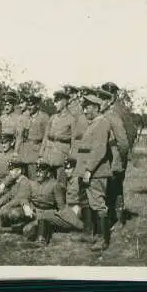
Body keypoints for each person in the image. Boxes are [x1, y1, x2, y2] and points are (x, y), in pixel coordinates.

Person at [65, 92, 113, 251]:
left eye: (88, 108)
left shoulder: (102, 123)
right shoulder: (92, 123)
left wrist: (88, 170)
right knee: (88, 202)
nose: (85, 111)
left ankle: (103, 239)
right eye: (84, 107)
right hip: (86, 170)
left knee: (98, 204)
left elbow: (99, 150)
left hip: (96, 172)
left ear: (97, 108)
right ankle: (90, 233)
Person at [97, 85, 132, 230]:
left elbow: (127, 137)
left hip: (116, 158)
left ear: (114, 95)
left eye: (110, 94)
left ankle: (118, 220)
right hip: (107, 157)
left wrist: (120, 157)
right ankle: (110, 218)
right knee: (108, 188)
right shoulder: (103, 113)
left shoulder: (119, 111)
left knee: (115, 188)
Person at [38, 90, 76, 180]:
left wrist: (71, 157)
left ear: (64, 102)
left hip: (62, 156)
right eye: (54, 101)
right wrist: (41, 154)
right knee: (47, 182)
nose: (55, 104)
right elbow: (45, 137)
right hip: (48, 155)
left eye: (57, 101)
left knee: (61, 183)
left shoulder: (72, 119)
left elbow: (74, 141)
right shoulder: (52, 118)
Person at [15, 95, 50, 180]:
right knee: (21, 177)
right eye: (28, 105)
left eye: (32, 105)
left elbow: (46, 137)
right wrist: (16, 151)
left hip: (35, 151)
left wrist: (41, 154)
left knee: (33, 177)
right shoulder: (25, 116)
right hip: (23, 151)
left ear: (37, 105)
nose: (29, 107)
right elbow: (19, 136)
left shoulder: (44, 117)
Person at [64, 85, 88, 159]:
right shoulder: (66, 107)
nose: (67, 96)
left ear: (74, 95)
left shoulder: (78, 108)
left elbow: (79, 130)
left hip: (74, 142)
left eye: (69, 94)